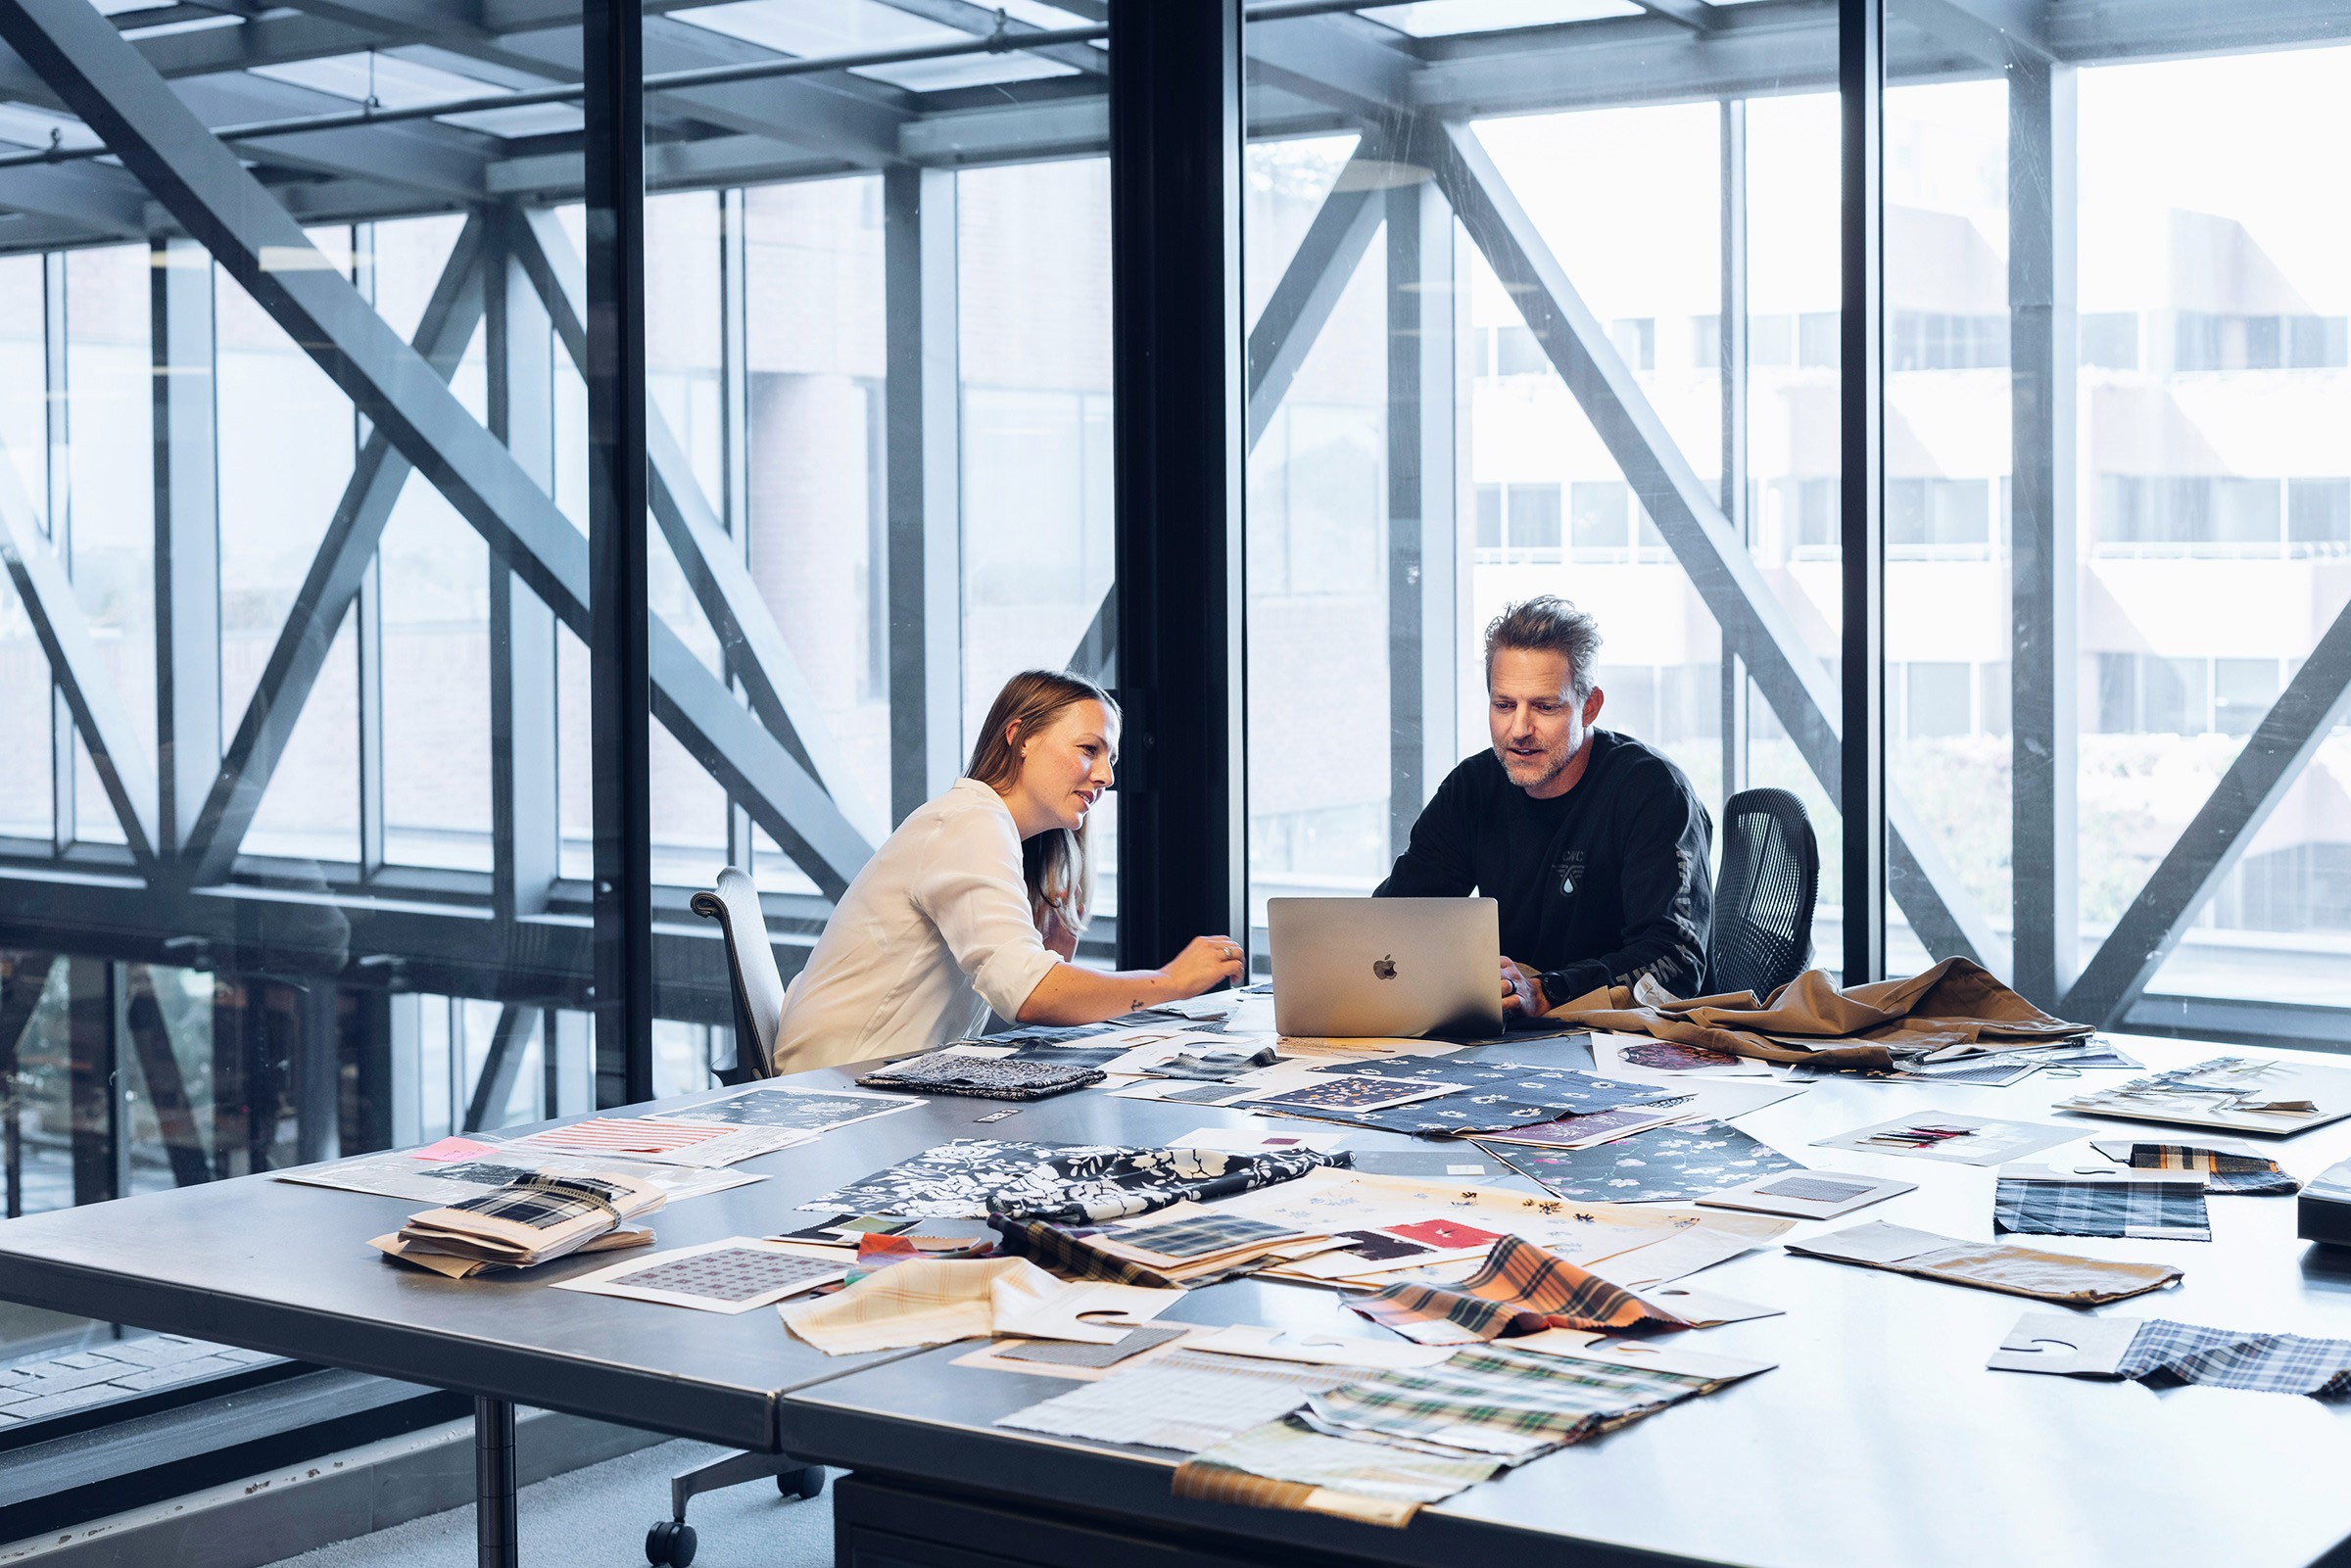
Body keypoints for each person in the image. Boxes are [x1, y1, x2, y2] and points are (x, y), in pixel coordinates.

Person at [771, 669, 1245, 1072]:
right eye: (1089, 749)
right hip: (843, 1090)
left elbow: (1012, 1003)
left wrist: (1053, 955)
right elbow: (1029, 996)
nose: (1107, 776)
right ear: (1019, 736)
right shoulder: (969, 823)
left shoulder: (988, 829)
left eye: (1111, 759)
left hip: (878, 1079)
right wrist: (1172, 982)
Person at [1375, 595, 1712, 1017]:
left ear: (1589, 707)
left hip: (1629, 1043)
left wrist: (1546, 990)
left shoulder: (1653, 791)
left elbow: (1675, 960)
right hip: (1510, 1040)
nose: (1519, 729)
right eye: (1504, 705)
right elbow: (1394, 920)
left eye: (1545, 707)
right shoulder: (1473, 788)